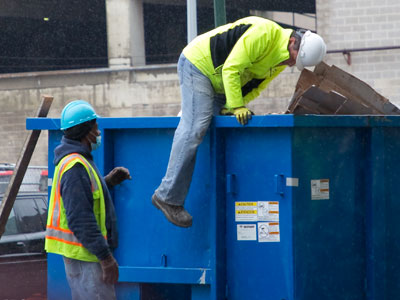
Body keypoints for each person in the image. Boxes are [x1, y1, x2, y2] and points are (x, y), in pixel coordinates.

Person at [152, 16, 326, 228]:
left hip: (220, 82)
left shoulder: (281, 59)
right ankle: (167, 196)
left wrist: (235, 104)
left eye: (295, 64)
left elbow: (256, 86)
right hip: (199, 65)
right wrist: (236, 106)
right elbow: (232, 68)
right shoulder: (264, 33)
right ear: (292, 42)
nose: (291, 63)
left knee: (213, 129)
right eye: (294, 58)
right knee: (196, 126)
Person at [45, 100, 131, 300]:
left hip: (83, 256)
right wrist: (106, 258)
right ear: (86, 131)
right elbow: (80, 218)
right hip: (87, 257)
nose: (99, 133)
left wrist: (107, 182)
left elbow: (85, 195)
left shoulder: (74, 159)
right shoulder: (75, 165)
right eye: (96, 127)